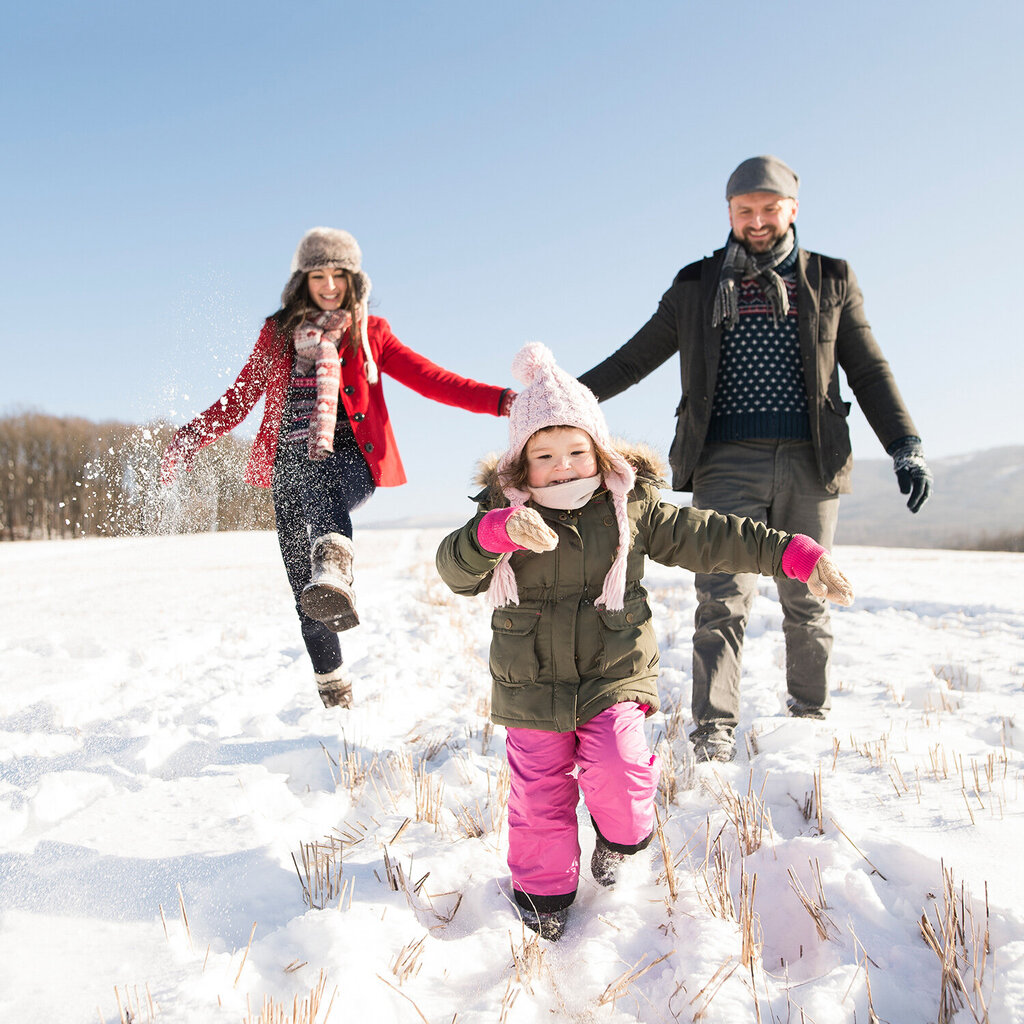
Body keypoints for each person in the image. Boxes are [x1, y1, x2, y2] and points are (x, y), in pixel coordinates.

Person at [435, 342, 853, 940]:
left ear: (598, 451)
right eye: (545, 454)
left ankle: (621, 840)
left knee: (619, 767)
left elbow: (710, 534)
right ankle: (542, 900)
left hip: (613, 670)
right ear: (519, 464)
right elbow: (455, 571)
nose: (563, 465)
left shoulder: (629, 508)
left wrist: (796, 553)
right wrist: (494, 533)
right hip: (529, 684)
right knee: (538, 799)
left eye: (577, 451)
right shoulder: (500, 513)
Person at [577, 155, 932, 763]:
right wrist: (561, 400)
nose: (758, 221)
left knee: (810, 590)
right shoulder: (696, 286)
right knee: (722, 594)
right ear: (730, 213)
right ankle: (714, 728)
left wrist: (904, 443)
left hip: (811, 461)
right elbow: (634, 360)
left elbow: (868, 368)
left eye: (770, 209)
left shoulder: (830, 278)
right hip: (724, 461)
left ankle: (810, 713)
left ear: (792, 209)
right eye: (746, 210)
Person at [160, 227, 514, 708]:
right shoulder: (278, 334)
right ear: (302, 280)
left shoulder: (370, 333)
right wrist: (190, 437)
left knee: (323, 492)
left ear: (353, 280)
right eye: (318, 275)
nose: (329, 285)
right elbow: (241, 397)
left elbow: (432, 379)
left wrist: (500, 400)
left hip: (350, 460)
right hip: (287, 463)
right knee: (307, 591)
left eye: (338, 275)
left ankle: (335, 566)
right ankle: (334, 689)